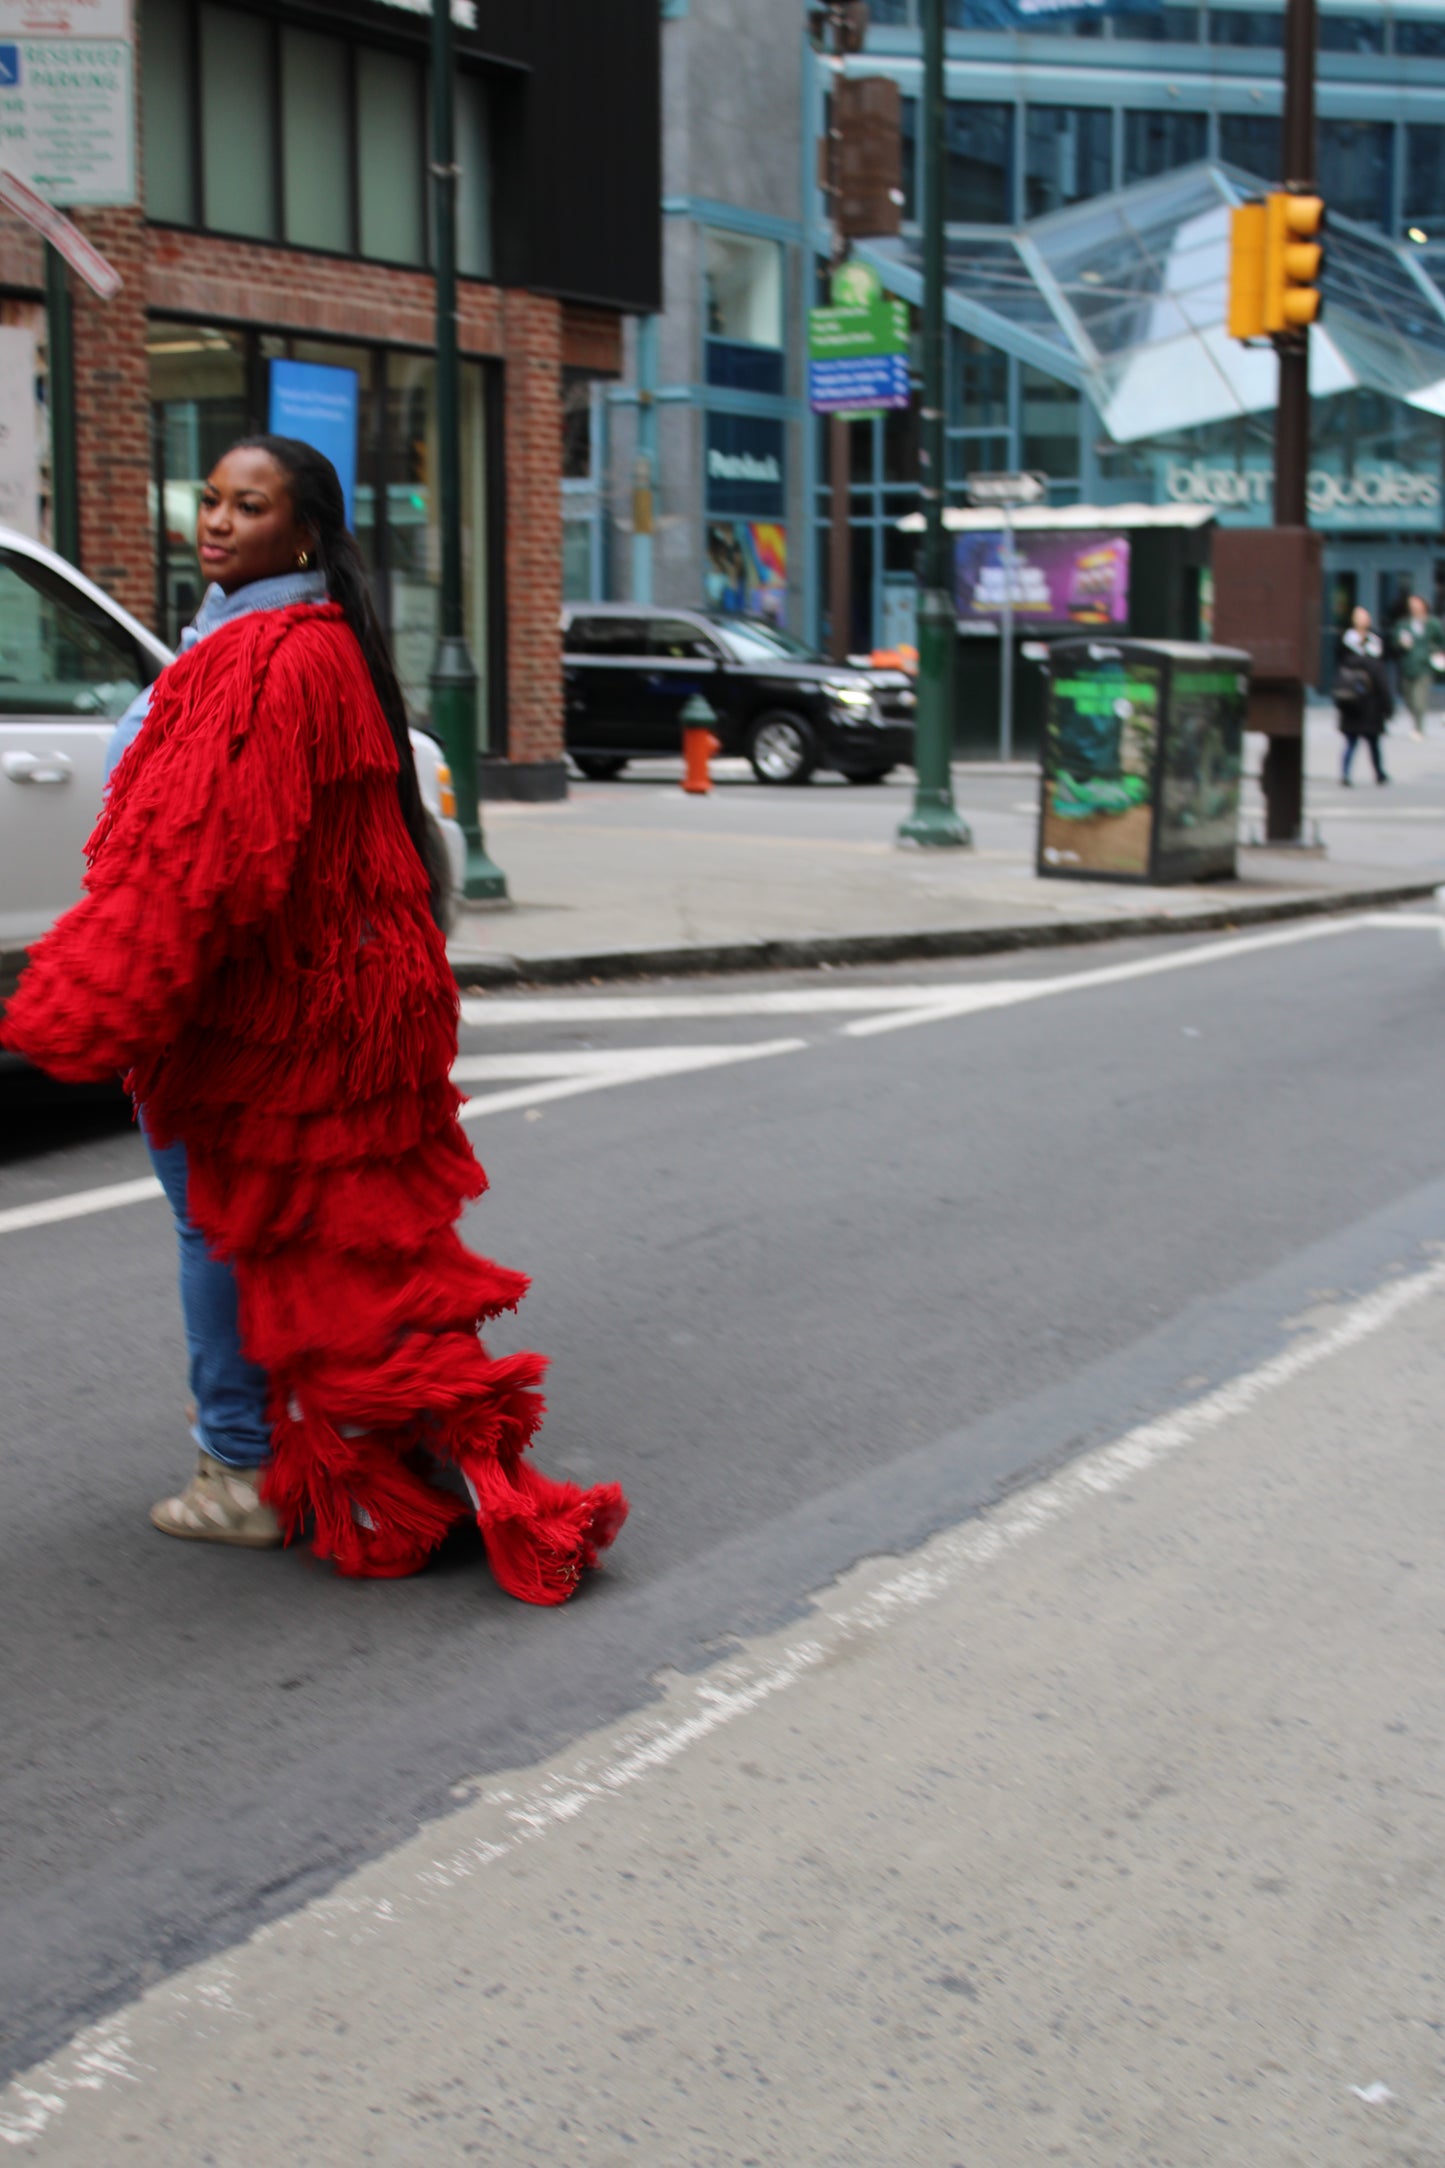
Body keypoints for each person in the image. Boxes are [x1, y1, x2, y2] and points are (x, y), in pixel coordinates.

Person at [1, 436, 627, 1601]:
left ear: (303, 531)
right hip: (333, 1006)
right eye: (213, 500)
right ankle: (366, 1443)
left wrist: (79, 996)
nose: (220, 521)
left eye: (251, 505)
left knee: (219, 1229)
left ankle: (237, 1468)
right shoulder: (308, 643)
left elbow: (200, 863)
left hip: (264, 1024)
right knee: (336, 1242)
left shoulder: (264, 660)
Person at [1333, 604, 1393, 786]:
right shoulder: (1346, 643)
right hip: (1356, 702)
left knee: (1372, 744)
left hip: (1368, 704)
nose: (1363, 620)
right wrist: (1388, 707)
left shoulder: (1375, 642)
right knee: (1353, 743)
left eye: (1365, 617)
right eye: (1359, 617)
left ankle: (1378, 773)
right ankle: (1347, 774)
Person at [1390, 591, 1443, 740]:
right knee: (1409, 698)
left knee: (1420, 698)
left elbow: (1441, 641)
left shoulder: (1432, 624)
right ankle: (1416, 721)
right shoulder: (1404, 624)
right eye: (1411, 605)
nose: (1414, 607)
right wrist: (1401, 644)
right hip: (1408, 666)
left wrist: (1436, 652)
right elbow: (1395, 644)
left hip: (1424, 667)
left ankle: (1418, 728)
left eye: (1417, 604)